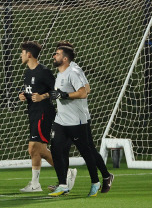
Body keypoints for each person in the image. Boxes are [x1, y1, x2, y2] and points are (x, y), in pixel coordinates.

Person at [50, 41, 114, 193]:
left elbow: (85, 91)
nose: (54, 55)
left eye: (57, 53)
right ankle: (63, 184)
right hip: (62, 119)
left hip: (78, 119)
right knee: (58, 149)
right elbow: (87, 88)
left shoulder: (74, 70)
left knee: (87, 151)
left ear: (66, 57)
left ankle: (99, 179)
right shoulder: (61, 72)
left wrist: (65, 95)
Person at [17, 41, 61, 192]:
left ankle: (66, 172)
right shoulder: (28, 72)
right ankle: (35, 184)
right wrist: (22, 95)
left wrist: (43, 96)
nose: (20, 55)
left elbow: (57, 91)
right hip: (33, 113)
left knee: (35, 148)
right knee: (36, 150)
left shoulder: (44, 71)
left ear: (29, 55)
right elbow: (27, 89)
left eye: (22, 53)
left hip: (44, 113)